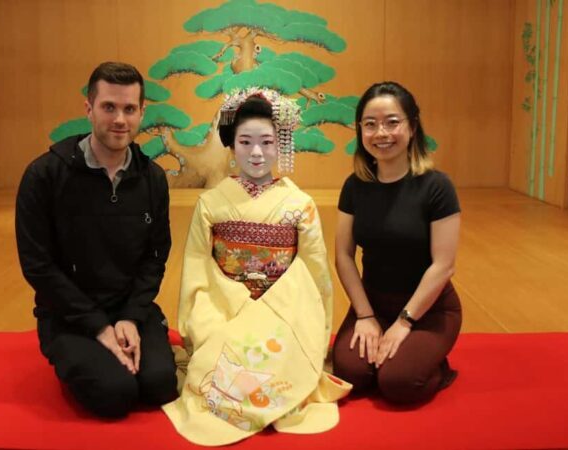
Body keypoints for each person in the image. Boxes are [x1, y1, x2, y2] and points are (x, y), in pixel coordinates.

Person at [162, 88, 350, 446]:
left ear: (281, 145)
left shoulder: (300, 204)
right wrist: (197, 321)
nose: (257, 153)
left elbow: (314, 275)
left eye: (266, 142)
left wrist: (318, 326)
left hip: (285, 312)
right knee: (225, 360)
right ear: (231, 146)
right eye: (245, 142)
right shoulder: (211, 203)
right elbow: (198, 268)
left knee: (271, 363)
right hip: (226, 308)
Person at [15, 62, 177, 418]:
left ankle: (134, 339)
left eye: (129, 109)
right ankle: (71, 355)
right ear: (89, 109)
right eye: (109, 107)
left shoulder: (152, 179)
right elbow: (37, 265)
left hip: (129, 308)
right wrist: (98, 327)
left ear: (141, 113)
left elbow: (155, 256)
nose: (120, 119)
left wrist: (132, 317)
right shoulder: (45, 175)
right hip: (69, 314)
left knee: (160, 386)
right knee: (113, 395)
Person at [332, 81, 462, 405]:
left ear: (413, 126)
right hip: (373, 303)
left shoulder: (437, 186)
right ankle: (395, 353)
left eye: (392, 122)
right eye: (370, 124)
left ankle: (434, 365)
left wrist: (405, 322)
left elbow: (444, 265)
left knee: (398, 383)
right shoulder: (355, 185)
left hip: (428, 308)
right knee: (351, 375)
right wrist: (364, 315)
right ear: (359, 130)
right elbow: (344, 256)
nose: (381, 133)